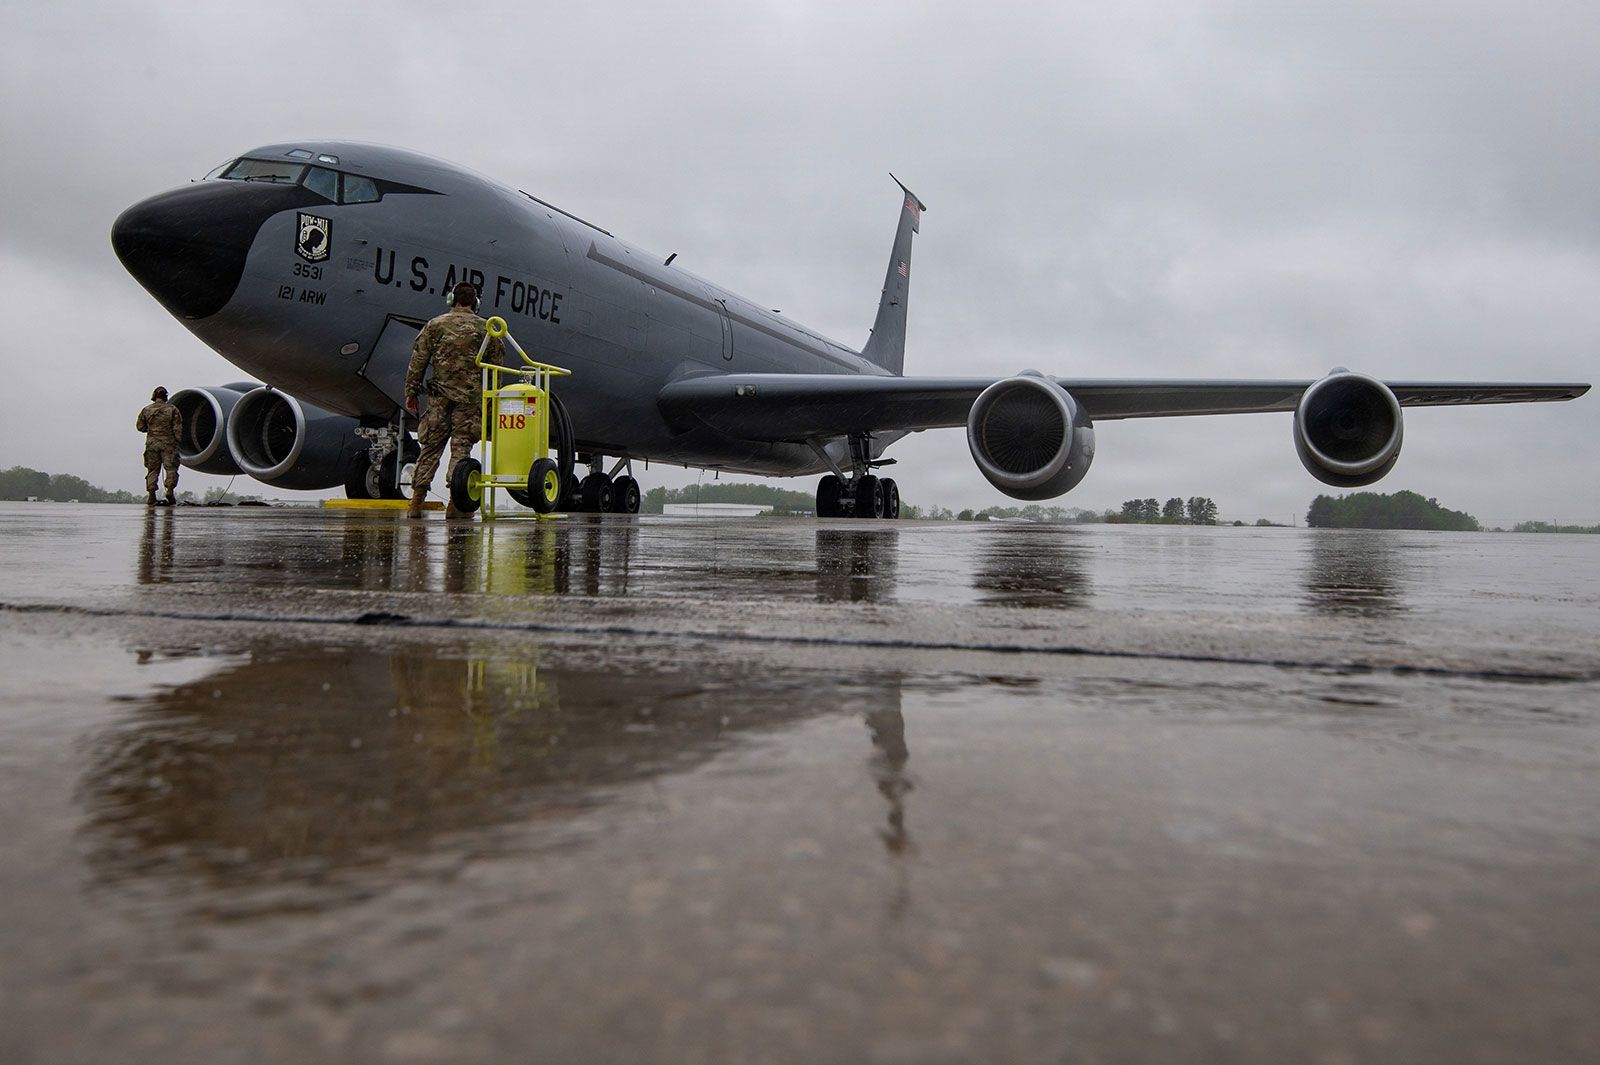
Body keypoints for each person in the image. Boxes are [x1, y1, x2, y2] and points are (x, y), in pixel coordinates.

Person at [404, 282, 504, 518]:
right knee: (461, 449)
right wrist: (491, 400)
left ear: (452, 300)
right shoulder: (486, 329)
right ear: (475, 303)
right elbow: (496, 368)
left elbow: (418, 361)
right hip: (469, 400)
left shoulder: (435, 325)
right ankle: (455, 504)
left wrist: (411, 392)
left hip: (439, 397)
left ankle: (416, 503)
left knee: (430, 448)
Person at [136, 386, 183, 506]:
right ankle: (170, 490)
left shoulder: (146, 410)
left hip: (152, 444)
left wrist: (152, 430)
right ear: (165, 396)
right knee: (171, 468)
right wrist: (177, 441)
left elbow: (140, 427)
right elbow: (177, 428)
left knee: (152, 470)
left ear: (154, 396)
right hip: (168, 444)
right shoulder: (172, 409)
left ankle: (151, 494)